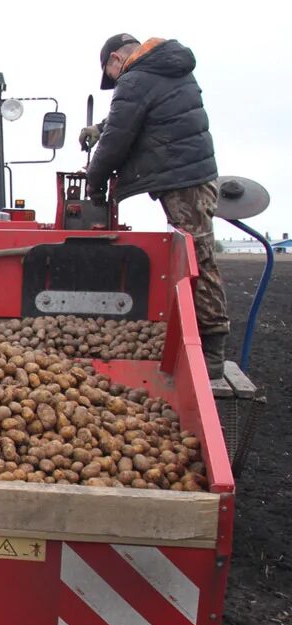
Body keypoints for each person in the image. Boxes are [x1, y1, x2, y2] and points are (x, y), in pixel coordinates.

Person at [82, 34, 228, 379]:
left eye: (111, 74)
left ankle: (211, 355)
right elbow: (145, 115)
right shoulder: (166, 69)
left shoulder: (136, 77)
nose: (116, 81)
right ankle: (202, 345)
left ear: (116, 59)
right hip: (190, 176)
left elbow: (121, 134)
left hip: (182, 182)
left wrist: (94, 181)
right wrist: (99, 128)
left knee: (198, 259)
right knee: (197, 255)